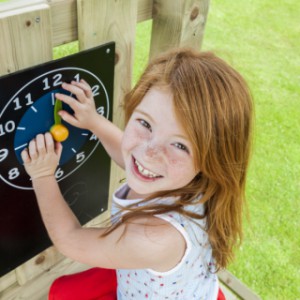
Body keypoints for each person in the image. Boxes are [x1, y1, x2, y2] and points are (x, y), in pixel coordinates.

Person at [21, 48, 253, 300]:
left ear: (213, 160)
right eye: (145, 123)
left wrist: (42, 175)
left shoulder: (154, 238)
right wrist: (94, 122)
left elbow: (70, 239)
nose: (149, 152)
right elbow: (129, 152)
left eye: (180, 145)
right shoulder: (190, 179)